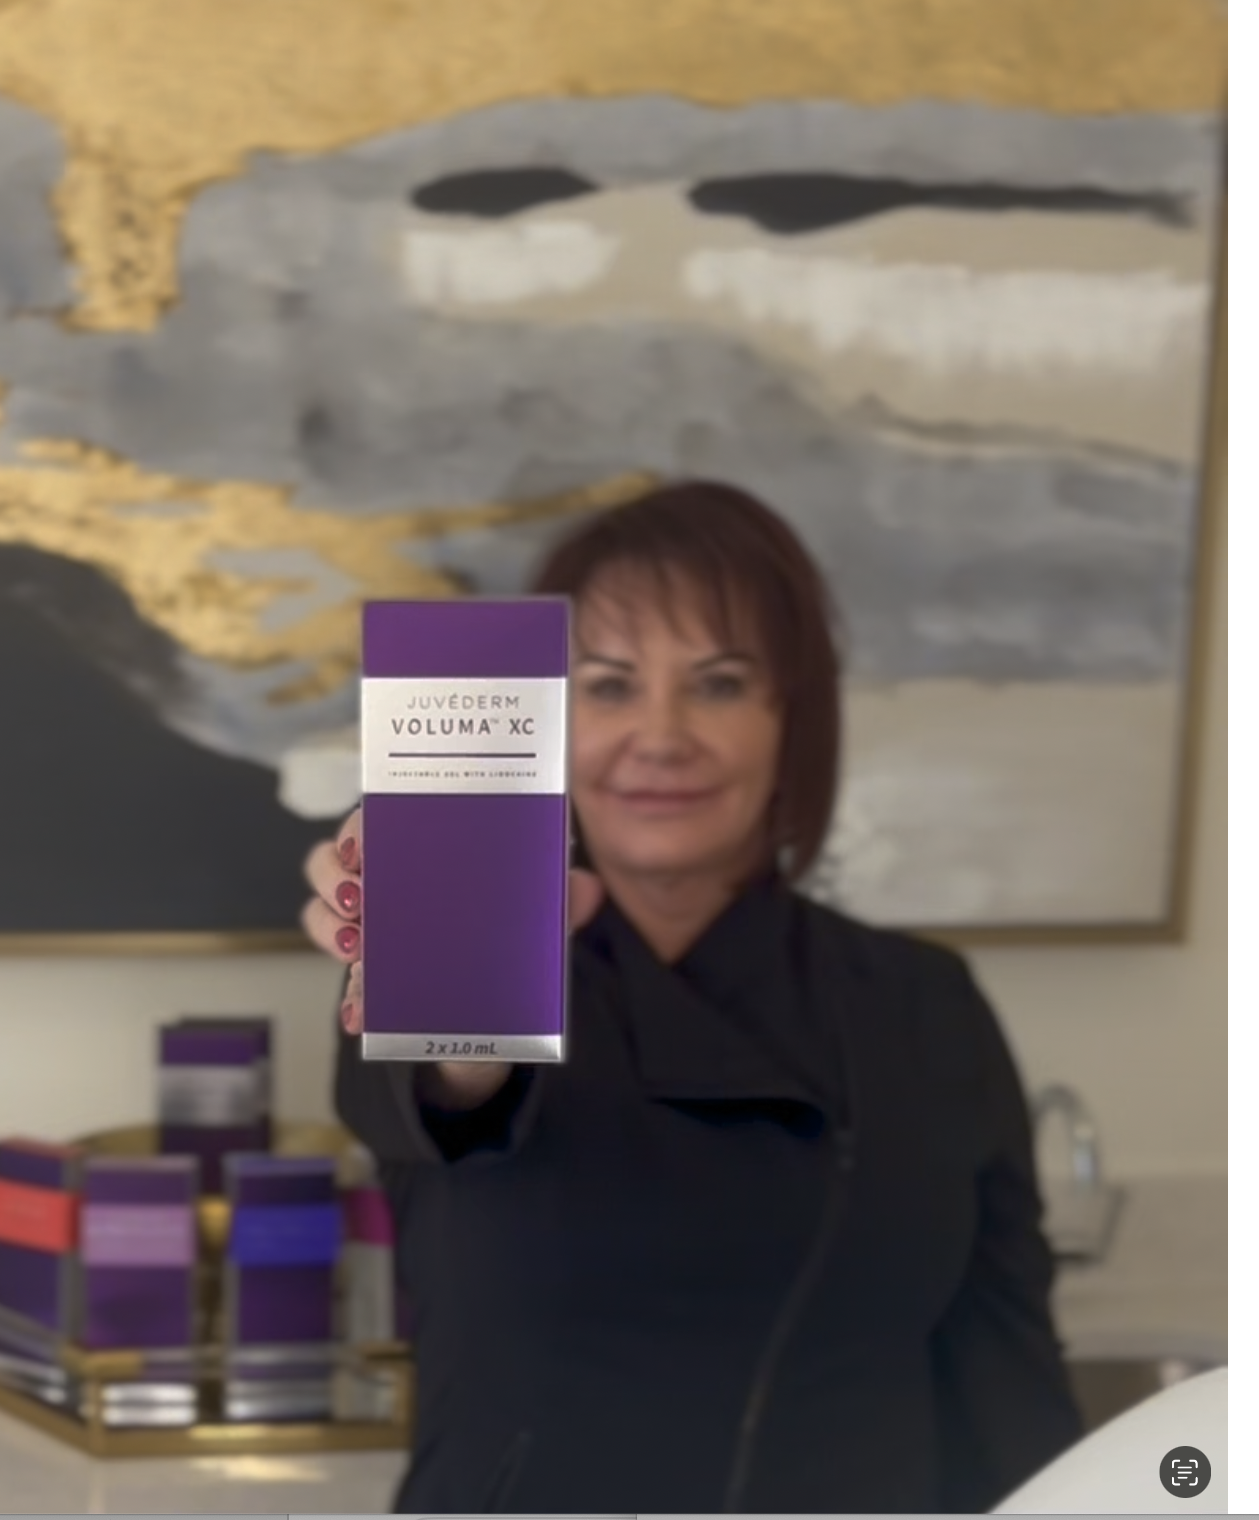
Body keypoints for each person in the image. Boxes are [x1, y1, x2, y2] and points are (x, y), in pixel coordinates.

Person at [302, 481, 1083, 1514]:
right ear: (546, 723)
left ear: (789, 718)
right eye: (608, 686)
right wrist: (440, 940)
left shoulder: (920, 1001)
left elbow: (1004, 1375)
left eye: (718, 684)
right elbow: (449, 1088)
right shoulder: (467, 979)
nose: (661, 735)